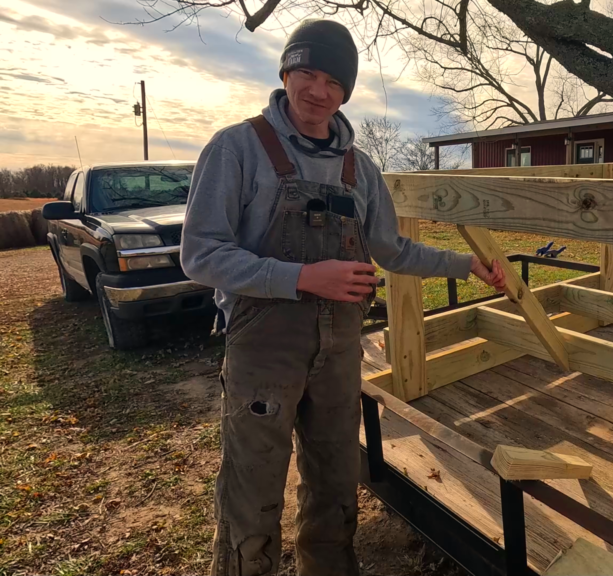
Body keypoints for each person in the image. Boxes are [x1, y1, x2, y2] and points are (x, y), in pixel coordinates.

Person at [181, 19, 506, 576]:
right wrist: (305, 278)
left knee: (333, 484)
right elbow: (201, 254)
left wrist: (464, 263)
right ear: (285, 71)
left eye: (334, 80)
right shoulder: (238, 148)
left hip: (339, 350)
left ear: (346, 91)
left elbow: (394, 250)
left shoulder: (360, 169)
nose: (318, 90)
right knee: (252, 489)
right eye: (306, 72)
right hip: (265, 350)